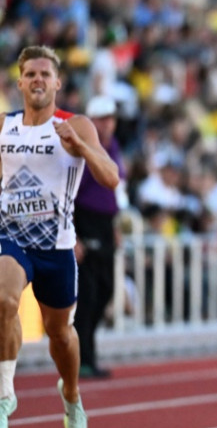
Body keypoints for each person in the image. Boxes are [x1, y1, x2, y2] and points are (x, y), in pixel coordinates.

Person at [0, 46, 120, 428]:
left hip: (57, 247)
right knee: (4, 299)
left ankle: (71, 396)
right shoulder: (4, 126)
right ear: (20, 82)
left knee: (60, 335)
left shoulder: (77, 124)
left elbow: (111, 177)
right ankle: (4, 395)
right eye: (31, 74)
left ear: (57, 83)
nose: (38, 80)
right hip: (11, 237)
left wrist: (80, 146)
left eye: (44, 75)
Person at [74, 95, 126, 379]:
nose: (108, 125)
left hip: (105, 224)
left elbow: (113, 188)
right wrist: (74, 235)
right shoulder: (82, 151)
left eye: (111, 119)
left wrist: (115, 225)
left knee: (105, 290)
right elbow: (69, 194)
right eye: (102, 119)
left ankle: (88, 351)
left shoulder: (113, 147)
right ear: (91, 122)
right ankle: (84, 358)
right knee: (88, 294)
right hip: (84, 221)